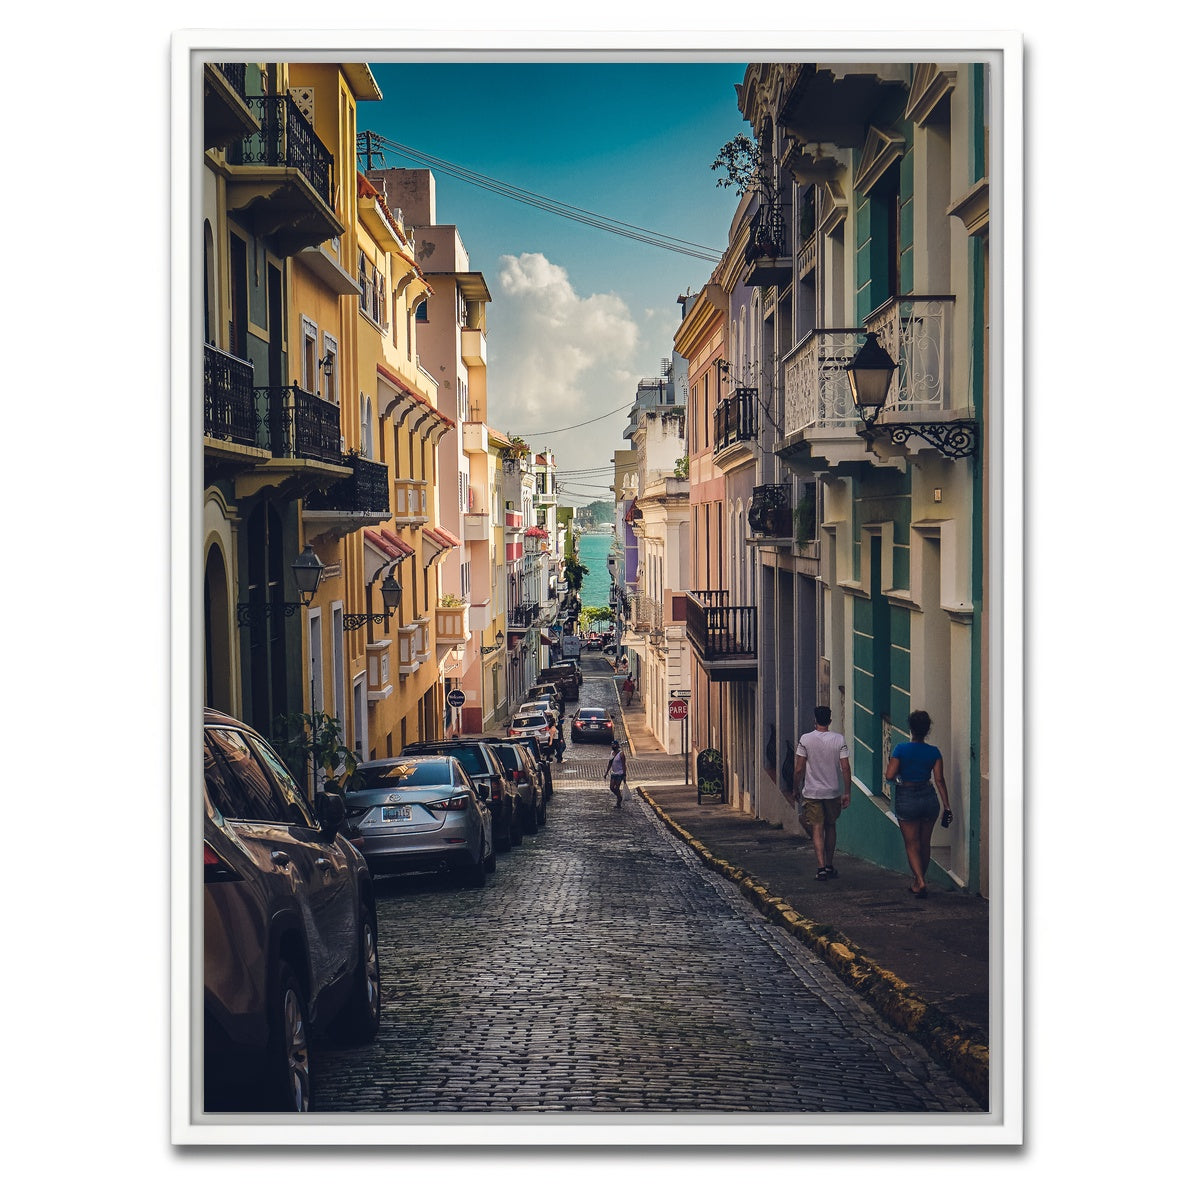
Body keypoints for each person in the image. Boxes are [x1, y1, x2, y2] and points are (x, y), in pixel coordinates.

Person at [885, 710, 952, 899]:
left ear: (911, 728)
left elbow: (889, 775)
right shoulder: (934, 752)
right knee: (925, 843)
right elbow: (939, 780)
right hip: (929, 798)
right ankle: (919, 880)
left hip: (907, 797)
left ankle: (920, 881)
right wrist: (946, 806)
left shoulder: (900, 749)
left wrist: (900, 779)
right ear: (927, 729)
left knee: (911, 843)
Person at [794, 705, 851, 882]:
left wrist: (795, 788)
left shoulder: (806, 739)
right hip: (832, 791)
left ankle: (820, 868)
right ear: (830, 721)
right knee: (831, 826)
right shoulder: (838, 739)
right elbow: (845, 767)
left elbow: (799, 768)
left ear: (815, 720)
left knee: (817, 828)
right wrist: (847, 791)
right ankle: (829, 864)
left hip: (812, 792)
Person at [604, 740, 627, 808]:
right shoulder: (612, 753)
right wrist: (606, 772)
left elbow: (623, 765)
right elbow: (610, 764)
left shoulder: (621, 754)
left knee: (617, 788)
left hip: (620, 773)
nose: (612, 746)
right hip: (614, 773)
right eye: (612, 745)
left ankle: (618, 802)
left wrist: (624, 775)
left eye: (614, 745)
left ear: (617, 746)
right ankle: (619, 797)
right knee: (612, 787)